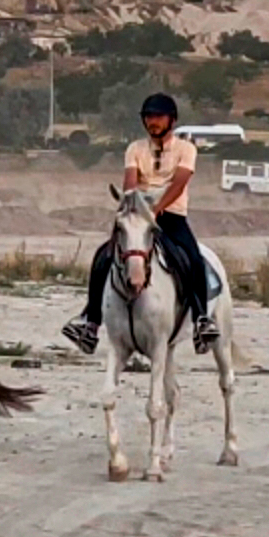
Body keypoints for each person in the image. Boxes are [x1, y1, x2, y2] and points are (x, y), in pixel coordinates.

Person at [62, 92, 219, 356]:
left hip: (171, 215)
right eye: (148, 117)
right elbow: (130, 183)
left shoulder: (186, 149)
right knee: (103, 256)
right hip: (138, 217)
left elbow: (179, 184)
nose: (152, 122)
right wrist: (133, 205)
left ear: (172, 120)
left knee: (193, 258)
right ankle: (90, 323)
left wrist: (156, 209)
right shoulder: (135, 149)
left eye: (158, 117)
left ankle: (201, 319)